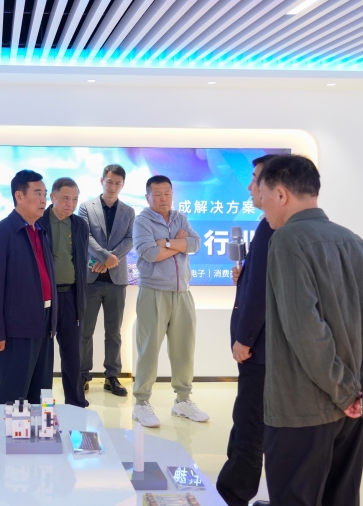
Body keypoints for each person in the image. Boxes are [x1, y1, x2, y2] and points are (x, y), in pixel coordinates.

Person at [258, 155, 363, 506]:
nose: (260, 203)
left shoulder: (287, 241)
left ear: (281, 194)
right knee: (342, 497)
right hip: (354, 407)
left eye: (262, 193)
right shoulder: (354, 241)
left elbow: (307, 330)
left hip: (301, 408)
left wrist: (346, 392)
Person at [216, 155, 277, 506]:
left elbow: (262, 293)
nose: (250, 186)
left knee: (249, 425)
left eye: (256, 179)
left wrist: (244, 338)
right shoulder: (268, 225)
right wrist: (246, 273)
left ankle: (233, 496)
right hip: (267, 350)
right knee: (249, 422)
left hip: (260, 350)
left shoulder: (272, 227)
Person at [131, 175, 207, 427]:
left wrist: (166, 243)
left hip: (183, 292)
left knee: (184, 349)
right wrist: (179, 243)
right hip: (153, 291)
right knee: (148, 349)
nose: (163, 198)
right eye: (158, 194)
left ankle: (183, 400)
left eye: (167, 193)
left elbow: (195, 244)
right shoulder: (142, 221)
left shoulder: (180, 218)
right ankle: (141, 403)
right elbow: (150, 253)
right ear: (148, 197)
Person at [0, 170, 57, 406]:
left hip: (44, 322)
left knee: (40, 395)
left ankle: (35, 430)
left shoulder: (40, 231)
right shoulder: (2, 233)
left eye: (45, 194)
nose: (44, 200)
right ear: (19, 196)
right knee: (12, 396)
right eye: (38, 193)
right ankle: (3, 432)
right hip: (16, 327)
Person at [78, 164, 134, 397]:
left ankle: (112, 376)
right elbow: (85, 236)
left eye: (117, 183)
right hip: (90, 278)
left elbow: (130, 239)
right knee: (85, 331)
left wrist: (111, 260)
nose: (113, 186)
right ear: (102, 181)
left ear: (123, 185)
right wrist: (105, 257)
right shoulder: (86, 207)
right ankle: (82, 375)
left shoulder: (129, 211)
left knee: (114, 332)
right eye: (109, 182)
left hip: (116, 281)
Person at [40, 177, 89, 408]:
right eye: (66, 198)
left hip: (70, 296)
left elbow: (80, 262)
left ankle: (76, 404)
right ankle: (41, 403)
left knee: (72, 354)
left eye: (75, 199)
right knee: (43, 355)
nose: (71, 204)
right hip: (45, 298)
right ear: (52, 197)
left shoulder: (79, 225)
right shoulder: (39, 222)